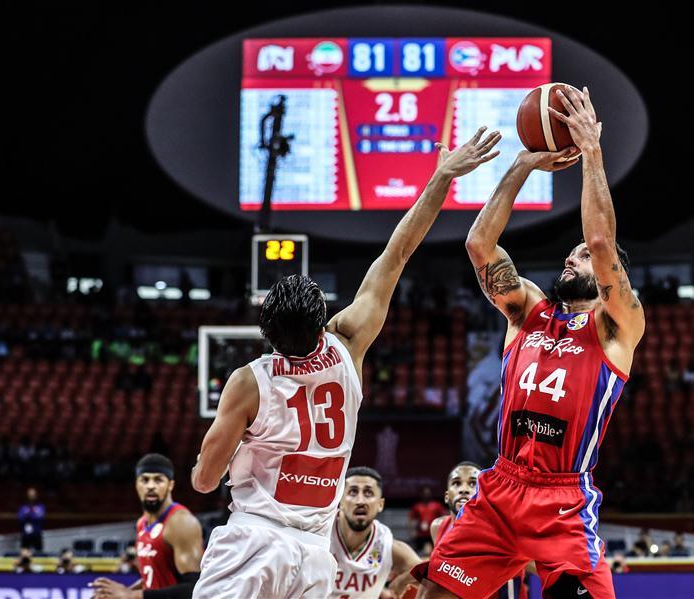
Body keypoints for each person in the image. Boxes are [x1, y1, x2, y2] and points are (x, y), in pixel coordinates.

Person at [189, 127, 502, 598]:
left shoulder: (248, 382)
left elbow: (204, 480)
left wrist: (226, 458)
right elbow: (397, 253)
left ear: (267, 332)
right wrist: (442, 177)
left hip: (253, 541)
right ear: (320, 325)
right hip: (315, 554)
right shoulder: (346, 345)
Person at [417, 87, 645, 599]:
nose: (574, 256)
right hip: (500, 487)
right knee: (435, 594)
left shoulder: (617, 327)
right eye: (572, 252)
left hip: (562, 499)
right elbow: (479, 245)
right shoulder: (528, 313)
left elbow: (604, 243)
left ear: (615, 278)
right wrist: (521, 165)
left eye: (582, 256)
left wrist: (592, 153)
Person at [91, 454, 204, 599]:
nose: (150, 486)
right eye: (144, 480)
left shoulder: (181, 523)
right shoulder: (141, 523)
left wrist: (132, 595)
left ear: (171, 485)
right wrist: (119, 593)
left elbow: (194, 588)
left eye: (158, 480)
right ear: (137, 484)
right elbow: (154, 578)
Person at [423, 461, 529, 599]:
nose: (464, 489)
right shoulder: (438, 527)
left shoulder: (503, 531)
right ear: (446, 496)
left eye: (473, 483)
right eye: (456, 483)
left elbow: (538, 562)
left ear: (485, 493)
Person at [329, 467, 421, 598]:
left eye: (368, 493)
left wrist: (403, 580)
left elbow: (427, 574)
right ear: (340, 501)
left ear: (380, 504)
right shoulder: (321, 532)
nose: (360, 501)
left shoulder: (386, 544)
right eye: (353, 492)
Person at [409, 486, 446, 552]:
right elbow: (412, 519)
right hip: (421, 534)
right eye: (425, 493)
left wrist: (442, 531)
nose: (426, 495)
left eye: (428, 493)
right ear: (422, 494)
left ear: (430, 494)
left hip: (433, 533)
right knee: (419, 551)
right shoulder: (417, 506)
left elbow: (444, 517)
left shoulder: (437, 505)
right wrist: (413, 531)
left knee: (435, 551)